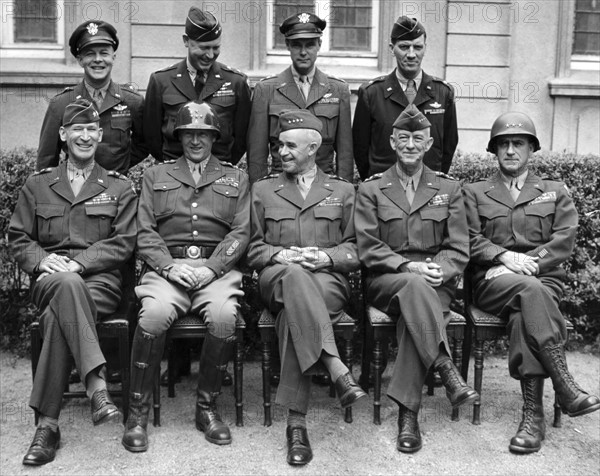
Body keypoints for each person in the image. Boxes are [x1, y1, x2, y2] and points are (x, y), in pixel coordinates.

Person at [9, 99, 138, 466]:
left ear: (99, 135)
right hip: (49, 280)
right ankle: (98, 386)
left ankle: (47, 427)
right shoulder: (38, 185)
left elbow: (124, 242)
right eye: (76, 129)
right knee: (65, 286)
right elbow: (18, 238)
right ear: (63, 135)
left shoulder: (118, 187)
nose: (84, 136)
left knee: (56, 316)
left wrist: (79, 263)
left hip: (100, 282)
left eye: (91, 130)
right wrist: (43, 259)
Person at [462, 112, 600, 454]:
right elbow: (466, 237)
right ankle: (565, 386)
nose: (510, 150)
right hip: (492, 283)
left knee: (527, 309)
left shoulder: (553, 192)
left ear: (531, 149)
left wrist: (527, 264)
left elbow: (564, 240)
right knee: (529, 291)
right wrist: (502, 258)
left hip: (542, 280)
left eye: (518, 144)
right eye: (504, 144)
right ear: (494, 150)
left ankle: (532, 415)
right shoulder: (475, 192)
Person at [122, 101, 249, 453]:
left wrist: (212, 268)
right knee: (154, 314)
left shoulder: (235, 178)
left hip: (215, 271)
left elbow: (240, 233)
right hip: (167, 271)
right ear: (178, 136)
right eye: (189, 133)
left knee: (224, 317)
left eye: (203, 134)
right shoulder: (155, 176)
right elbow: (144, 232)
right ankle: (137, 413)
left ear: (214, 137)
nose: (196, 140)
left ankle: (206, 408)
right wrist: (168, 266)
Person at [355, 105, 476, 454]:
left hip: (435, 282)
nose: (410, 144)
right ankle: (443, 366)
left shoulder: (449, 189)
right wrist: (408, 268)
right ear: (392, 142)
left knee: (416, 310)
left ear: (428, 143)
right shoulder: (372, 189)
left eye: (417, 139)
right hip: (388, 280)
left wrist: (440, 267)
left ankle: (408, 416)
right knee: (413, 285)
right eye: (403, 138)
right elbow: (368, 247)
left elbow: (458, 247)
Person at [247, 110, 365, 466]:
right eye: (279, 145)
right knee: (294, 277)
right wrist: (282, 254)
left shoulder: (343, 191)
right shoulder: (263, 189)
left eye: (289, 146)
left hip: (327, 282)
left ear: (313, 148)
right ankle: (335, 367)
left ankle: (296, 425)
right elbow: (252, 249)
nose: (280, 152)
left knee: (289, 317)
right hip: (276, 279)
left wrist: (327, 257)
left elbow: (357, 249)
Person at [246, 12, 354, 183]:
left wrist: (346, 193)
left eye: (310, 45)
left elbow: (345, 153)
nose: (303, 52)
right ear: (287, 45)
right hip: (279, 185)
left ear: (319, 44)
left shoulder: (338, 90)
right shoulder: (266, 90)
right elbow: (257, 154)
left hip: (324, 185)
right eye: (296, 45)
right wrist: (258, 194)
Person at [353, 16, 458, 180]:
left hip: (428, 189)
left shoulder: (443, 93)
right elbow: (360, 149)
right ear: (391, 48)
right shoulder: (371, 93)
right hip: (384, 191)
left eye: (417, 47)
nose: (411, 54)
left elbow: (448, 147)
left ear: (425, 48)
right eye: (404, 47)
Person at [144, 7, 251, 165]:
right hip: (174, 175)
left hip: (219, 174)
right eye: (203, 48)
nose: (210, 55)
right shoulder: (161, 81)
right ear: (186, 41)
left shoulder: (236, 82)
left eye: (216, 48)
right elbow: (152, 137)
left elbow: (241, 138)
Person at [37, 21, 146, 175]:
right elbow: (46, 158)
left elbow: (144, 144)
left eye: (104, 53)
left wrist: (119, 165)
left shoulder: (132, 101)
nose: (98, 59)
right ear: (80, 60)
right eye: (90, 54)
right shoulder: (61, 103)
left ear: (113, 57)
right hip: (75, 189)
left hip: (116, 190)